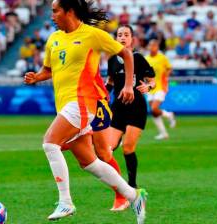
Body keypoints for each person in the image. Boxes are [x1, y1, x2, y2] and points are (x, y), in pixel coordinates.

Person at [24, 0, 147, 223]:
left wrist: (128, 85)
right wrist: (36, 77)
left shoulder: (92, 35)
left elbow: (126, 55)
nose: (52, 16)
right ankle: (133, 195)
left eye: (55, 11)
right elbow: (48, 70)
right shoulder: (54, 39)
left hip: (83, 103)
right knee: (90, 163)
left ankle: (65, 202)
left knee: (50, 143)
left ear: (69, 11)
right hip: (65, 104)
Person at [106, 25, 155, 192]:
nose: (122, 37)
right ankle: (116, 182)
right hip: (118, 108)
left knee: (128, 148)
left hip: (136, 108)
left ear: (132, 39)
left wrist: (148, 87)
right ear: (116, 39)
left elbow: (152, 80)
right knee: (107, 149)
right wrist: (104, 92)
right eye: (119, 34)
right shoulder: (112, 60)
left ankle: (132, 184)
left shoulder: (138, 58)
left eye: (126, 34)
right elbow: (111, 81)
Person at [145, 39, 176, 140]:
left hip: (160, 86)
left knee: (154, 108)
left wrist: (166, 76)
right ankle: (163, 133)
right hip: (150, 87)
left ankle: (169, 115)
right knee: (153, 112)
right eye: (151, 46)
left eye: (155, 46)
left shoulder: (162, 58)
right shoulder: (146, 58)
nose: (152, 47)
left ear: (157, 47)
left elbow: (169, 68)